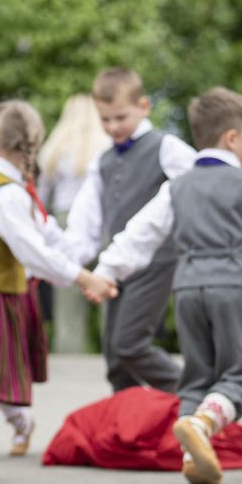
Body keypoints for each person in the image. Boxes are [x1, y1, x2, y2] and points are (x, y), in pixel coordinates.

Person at [86, 87, 242, 484]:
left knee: (195, 378)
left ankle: (192, 456)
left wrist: (107, 271)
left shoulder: (177, 187)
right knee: (240, 373)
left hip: (187, 290)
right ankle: (202, 424)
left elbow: (141, 233)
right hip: (232, 287)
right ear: (232, 138)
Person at [0, 100, 110, 462]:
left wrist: (81, 265)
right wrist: (82, 275)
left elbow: (43, 232)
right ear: (30, 143)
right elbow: (32, 250)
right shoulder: (4, 191)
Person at [63, 68, 197, 392]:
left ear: (144, 106)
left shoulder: (166, 147)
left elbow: (203, 181)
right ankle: (130, 414)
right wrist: (71, 263)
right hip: (117, 264)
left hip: (156, 260)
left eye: (120, 117)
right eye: (105, 119)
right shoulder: (103, 161)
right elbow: (87, 219)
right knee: (114, 354)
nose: (113, 127)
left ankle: (194, 397)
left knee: (129, 344)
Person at [36, 93, 109, 353]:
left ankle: (69, 354)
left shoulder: (56, 149)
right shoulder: (106, 147)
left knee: (67, 294)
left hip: (64, 219)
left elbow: (41, 195)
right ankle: (113, 352)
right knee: (107, 284)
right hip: (102, 219)